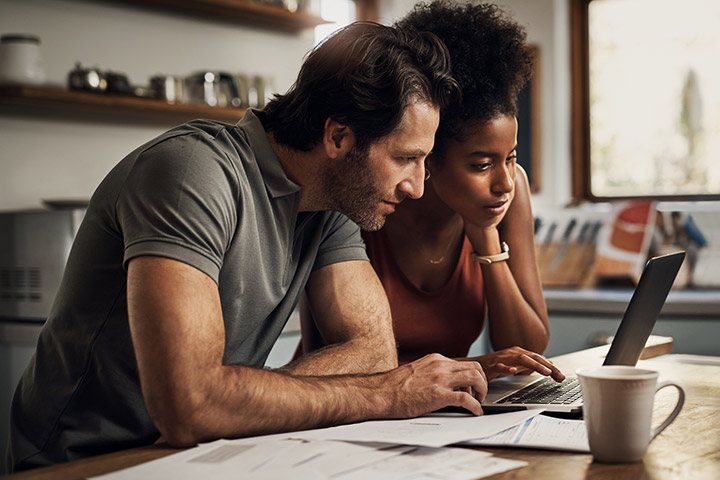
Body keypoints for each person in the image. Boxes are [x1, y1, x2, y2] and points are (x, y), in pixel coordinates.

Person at [6, 22, 490, 473]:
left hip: (200, 453)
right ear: (338, 136)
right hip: (81, 463)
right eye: (406, 158)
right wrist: (384, 396)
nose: (418, 187)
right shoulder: (192, 173)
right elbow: (190, 405)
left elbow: (373, 351)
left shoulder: (331, 203)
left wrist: (239, 400)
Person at [297, 1, 565, 383]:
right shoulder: (363, 198)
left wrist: (486, 239)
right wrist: (467, 368)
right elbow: (325, 360)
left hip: (438, 414)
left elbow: (528, 348)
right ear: (428, 156)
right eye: (481, 164)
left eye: (511, 157)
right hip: (344, 412)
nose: (504, 182)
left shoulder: (507, 193)